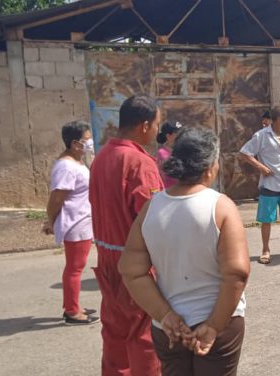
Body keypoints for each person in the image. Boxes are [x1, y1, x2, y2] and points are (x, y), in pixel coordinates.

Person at [119, 127, 250, 376]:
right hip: (220, 322)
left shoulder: (152, 207)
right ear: (210, 166)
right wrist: (213, 326)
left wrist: (165, 315)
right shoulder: (220, 206)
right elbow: (236, 274)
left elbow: (130, 271)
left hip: (169, 328)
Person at [89, 95, 164, 375]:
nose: (157, 131)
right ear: (144, 125)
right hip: (136, 264)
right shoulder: (139, 162)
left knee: (115, 332)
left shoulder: (102, 157)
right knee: (144, 335)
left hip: (107, 259)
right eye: (156, 125)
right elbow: (152, 220)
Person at [42, 120, 99, 325]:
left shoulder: (76, 162)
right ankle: (72, 311)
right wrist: (50, 220)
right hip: (76, 224)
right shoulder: (67, 166)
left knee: (76, 267)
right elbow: (57, 198)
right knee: (75, 268)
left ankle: (73, 305)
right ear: (75, 143)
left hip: (82, 221)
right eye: (87, 139)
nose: (90, 142)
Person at [240, 105, 280, 265]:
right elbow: (245, 153)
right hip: (269, 185)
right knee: (267, 220)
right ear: (279, 119)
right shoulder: (261, 136)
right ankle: (265, 250)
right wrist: (261, 167)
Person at [156, 120, 183, 188]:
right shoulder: (162, 154)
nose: (181, 135)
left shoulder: (182, 149)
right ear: (168, 136)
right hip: (170, 193)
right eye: (177, 132)